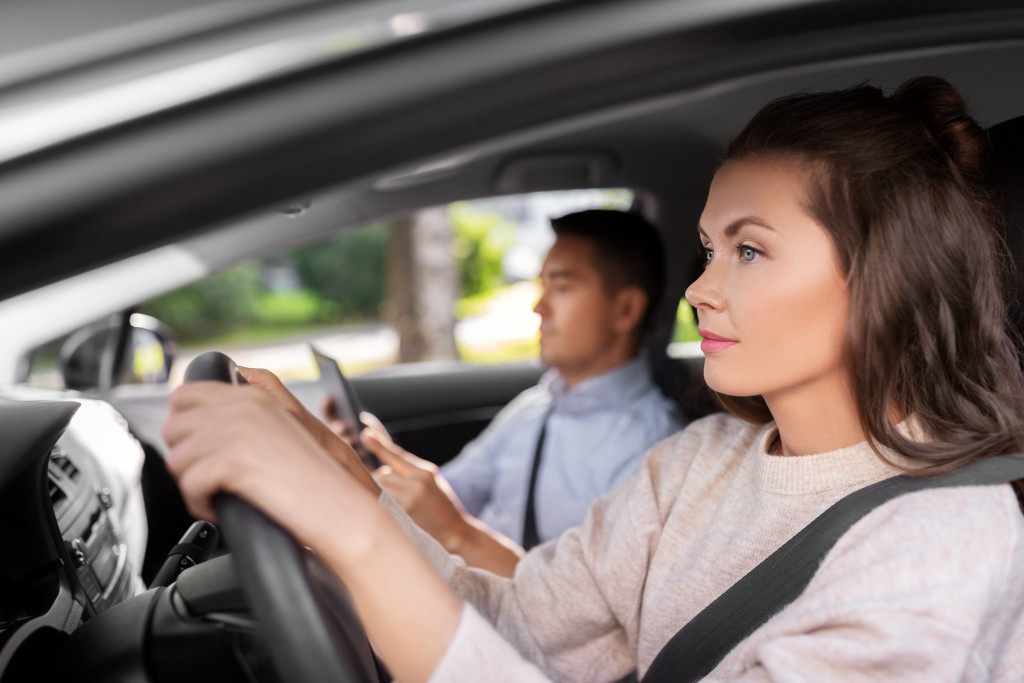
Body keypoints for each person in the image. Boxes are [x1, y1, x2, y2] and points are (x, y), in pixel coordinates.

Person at [164, 75, 1024, 683]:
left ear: (887, 275)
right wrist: (340, 476)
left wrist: (353, 532)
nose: (699, 288)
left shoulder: (941, 542)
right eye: (710, 247)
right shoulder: (700, 461)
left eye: (750, 249)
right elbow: (515, 627)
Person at [328, 209, 683, 576]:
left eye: (561, 287)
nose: (539, 306)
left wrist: (458, 534)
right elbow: (448, 496)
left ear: (626, 309)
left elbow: (592, 607)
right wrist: (373, 459)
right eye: (542, 286)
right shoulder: (534, 406)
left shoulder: (653, 450)